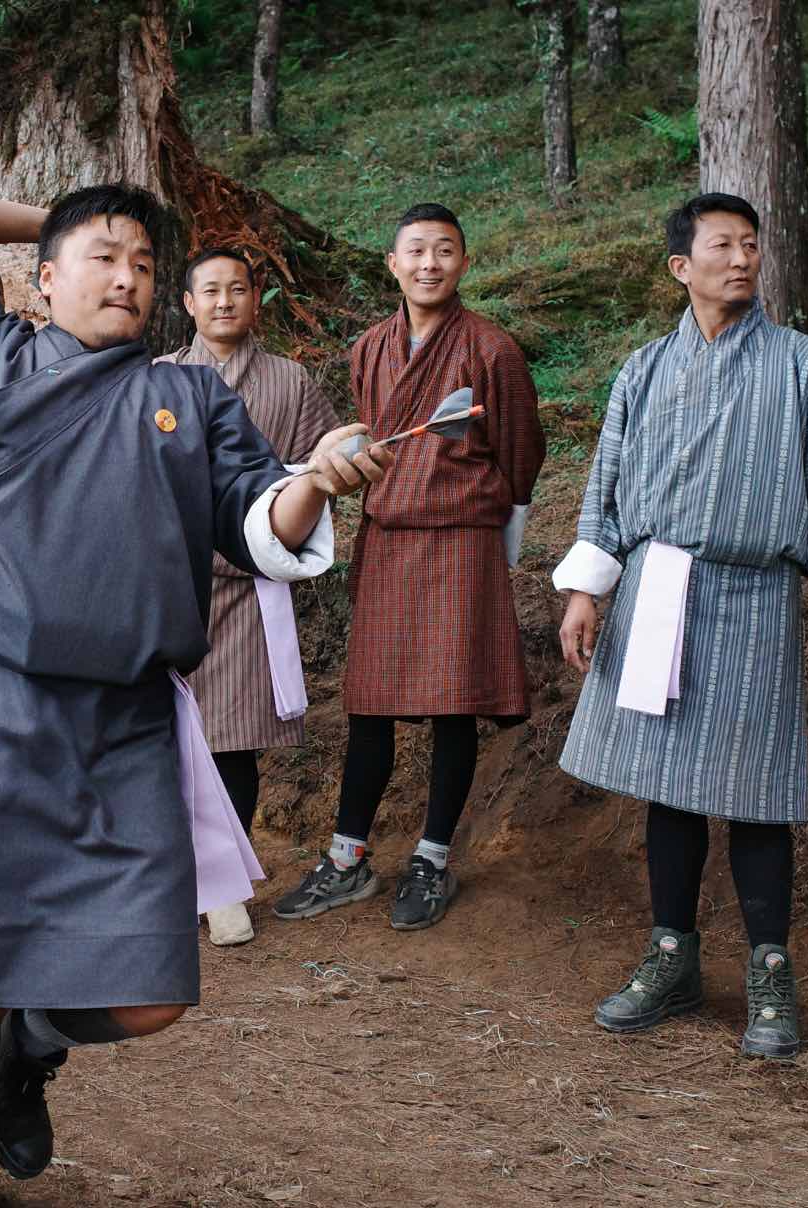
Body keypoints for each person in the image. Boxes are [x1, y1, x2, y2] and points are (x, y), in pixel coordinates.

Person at [0, 175, 390, 1208]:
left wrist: (311, 477)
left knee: (148, 993)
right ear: (41, 281)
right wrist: (48, 212)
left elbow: (261, 524)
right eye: (103, 257)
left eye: (143, 264)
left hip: (125, 724)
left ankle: (25, 1054)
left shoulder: (193, 399)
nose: (128, 277)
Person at [552, 193, 808, 1060]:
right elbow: (608, 484)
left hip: (753, 593)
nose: (741, 258)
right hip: (659, 585)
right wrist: (589, 587)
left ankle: (770, 975)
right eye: (721, 246)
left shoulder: (802, 365)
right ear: (681, 267)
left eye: (750, 245)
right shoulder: (643, 370)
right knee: (668, 784)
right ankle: (673, 958)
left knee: (758, 792)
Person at [271, 202, 545, 933]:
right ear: (392, 264)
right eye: (416, 251)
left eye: (445, 250)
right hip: (390, 537)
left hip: (461, 537)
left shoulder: (492, 349)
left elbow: (521, 453)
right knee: (370, 704)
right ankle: (347, 856)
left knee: (455, 706)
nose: (430, 263)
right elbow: (371, 439)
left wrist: (492, 521)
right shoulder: (370, 348)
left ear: (464, 262)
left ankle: (431, 857)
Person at [155, 248, 337, 947]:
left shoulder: (289, 383)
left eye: (238, 289)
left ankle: (225, 888)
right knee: (159, 739)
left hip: (246, 584)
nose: (225, 301)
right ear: (188, 302)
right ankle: (170, 883)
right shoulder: (158, 379)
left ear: (257, 300)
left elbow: (316, 476)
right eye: (211, 290)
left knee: (230, 742)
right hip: (169, 584)